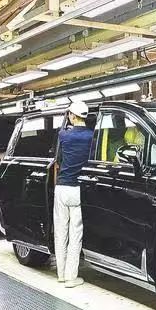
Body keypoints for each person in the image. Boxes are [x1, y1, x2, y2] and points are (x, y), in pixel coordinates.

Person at [54, 100, 93, 287]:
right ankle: (71, 277)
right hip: (78, 190)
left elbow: (58, 159)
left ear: (73, 116)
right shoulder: (92, 136)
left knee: (60, 233)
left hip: (62, 188)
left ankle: (61, 274)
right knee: (75, 234)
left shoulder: (63, 135)